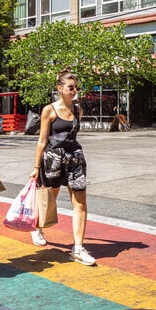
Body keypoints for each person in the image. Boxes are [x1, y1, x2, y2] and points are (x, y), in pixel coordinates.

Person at [30, 69, 96, 266]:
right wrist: (35, 167)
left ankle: (77, 248)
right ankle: (39, 228)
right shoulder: (49, 110)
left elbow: (72, 135)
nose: (75, 91)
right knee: (50, 200)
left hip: (75, 158)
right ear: (60, 88)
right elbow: (42, 140)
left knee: (80, 202)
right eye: (71, 87)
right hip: (53, 158)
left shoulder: (78, 110)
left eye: (76, 87)